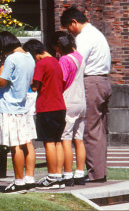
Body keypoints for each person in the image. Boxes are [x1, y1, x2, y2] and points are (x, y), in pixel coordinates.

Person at [60, 6, 111, 183]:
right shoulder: (97, 33)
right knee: (98, 129)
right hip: (103, 81)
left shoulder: (84, 37)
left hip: (91, 82)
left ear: (74, 22)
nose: (69, 33)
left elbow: (76, 62)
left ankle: (94, 173)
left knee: (88, 129)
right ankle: (99, 171)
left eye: (68, 28)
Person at [0, 31, 36, 193]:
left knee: (15, 145)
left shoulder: (11, 59)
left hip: (10, 107)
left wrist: (2, 63)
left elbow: (1, 81)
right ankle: (29, 178)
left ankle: (18, 182)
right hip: (24, 106)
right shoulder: (29, 57)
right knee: (28, 143)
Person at [22, 39, 66, 189]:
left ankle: (52, 176)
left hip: (47, 107)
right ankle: (58, 176)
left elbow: (35, 87)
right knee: (58, 142)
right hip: (60, 106)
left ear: (35, 53)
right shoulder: (56, 61)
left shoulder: (41, 64)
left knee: (48, 143)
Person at [51, 31, 86, 187]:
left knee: (65, 138)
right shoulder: (79, 56)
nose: (56, 51)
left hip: (69, 100)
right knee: (79, 138)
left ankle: (67, 173)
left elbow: (61, 80)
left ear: (59, 45)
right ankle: (79, 172)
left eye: (56, 47)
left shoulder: (64, 60)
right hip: (81, 101)